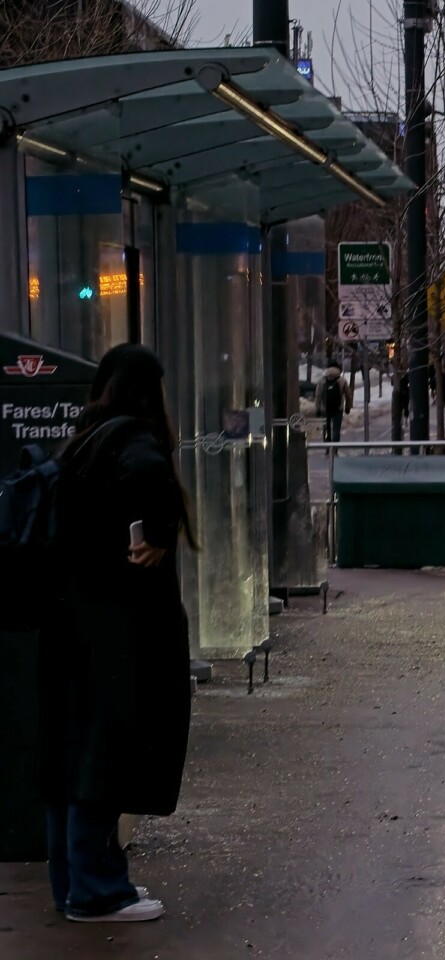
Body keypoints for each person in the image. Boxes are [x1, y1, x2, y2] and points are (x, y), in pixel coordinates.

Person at [39, 344, 197, 922]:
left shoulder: (83, 440)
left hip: (71, 628)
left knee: (73, 761)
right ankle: (98, 889)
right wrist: (157, 526)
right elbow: (150, 474)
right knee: (103, 760)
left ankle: (73, 883)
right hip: (116, 634)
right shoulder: (132, 440)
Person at [316, 361, 352, 442]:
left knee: (326, 429)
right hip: (338, 409)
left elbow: (318, 395)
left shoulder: (322, 380)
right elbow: (348, 395)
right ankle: (335, 449)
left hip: (325, 408)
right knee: (336, 429)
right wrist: (348, 407)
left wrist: (318, 408)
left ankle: (327, 448)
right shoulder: (342, 380)